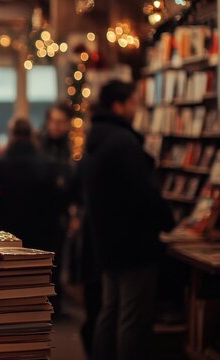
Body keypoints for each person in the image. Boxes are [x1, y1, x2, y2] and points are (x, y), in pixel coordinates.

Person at [84, 80, 175, 360]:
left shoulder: (98, 138)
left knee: (111, 310)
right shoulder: (123, 142)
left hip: (107, 241)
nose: (137, 109)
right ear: (119, 105)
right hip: (134, 243)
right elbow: (143, 193)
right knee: (132, 318)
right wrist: (168, 220)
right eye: (134, 103)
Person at [0, 118, 63, 252]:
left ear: (12, 134)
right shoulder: (47, 162)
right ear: (32, 134)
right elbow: (55, 199)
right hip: (41, 229)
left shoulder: (0, 163)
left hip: (8, 229)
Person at [38, 103, 74, 316]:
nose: (56, 126)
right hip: (42, 212)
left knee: (57, 260)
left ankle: (54, 304)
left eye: (61, 122)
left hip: (58, 215)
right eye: (53, 121)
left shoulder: (67, 148)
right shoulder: (40, 146)